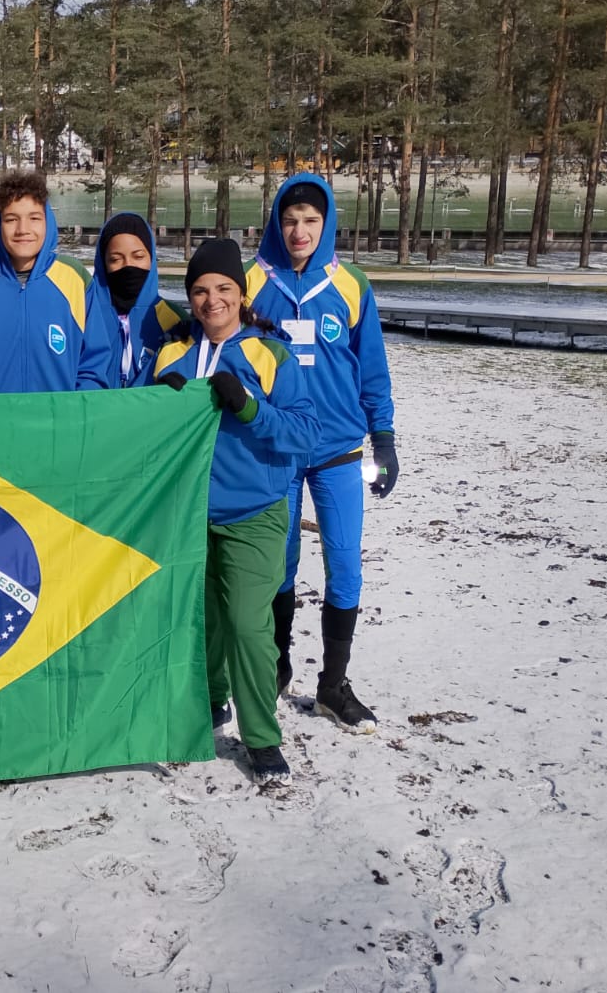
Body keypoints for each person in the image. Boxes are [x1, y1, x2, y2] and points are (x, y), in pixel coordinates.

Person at [154, 238, 318, 788]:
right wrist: (155, 398)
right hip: (188, 512)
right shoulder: (172, 354)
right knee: (203, 622)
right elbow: (141, 429)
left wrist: (249, 408)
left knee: (248, 624)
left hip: (254, 512)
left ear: (241, 294)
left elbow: (304, 433)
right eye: (199, 291)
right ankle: (211, 701)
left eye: (223, 288)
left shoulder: (269, 354)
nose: (211, 300)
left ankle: (263, 740)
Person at [245, 173, 397, 732]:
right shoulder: (253, 281)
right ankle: (276, 666)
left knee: (344, 563)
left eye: (310, 220)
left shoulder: (351, 285)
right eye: (290, 220)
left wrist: (383, 438)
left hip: (336, 450)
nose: (299, 230)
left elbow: (372, 368)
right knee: (277, 564)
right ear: (276, 223)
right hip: (277, 447)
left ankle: (334, 684)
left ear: (327, 222)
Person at [0, 169, 117, 392]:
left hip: (58, 423)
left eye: (34, 218)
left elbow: (93, 363)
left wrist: (76, 415)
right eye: (11, 219)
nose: (23, 230)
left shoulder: (74, 279)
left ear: (48, 222)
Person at [93, 212, 183, 386]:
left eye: (138, 256)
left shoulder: (174, 319)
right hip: (95, 411)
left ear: (152, 258)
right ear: (103, 264)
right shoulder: (84, 315)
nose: (128, 265)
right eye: (115, 259)